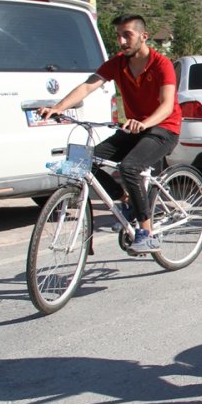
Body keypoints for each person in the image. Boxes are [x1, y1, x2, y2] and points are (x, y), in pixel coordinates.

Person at [37, 15, 181, 254]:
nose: (121, 41)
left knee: (130, 167)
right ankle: (125, 200)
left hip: (164, 128)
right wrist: (58, 107)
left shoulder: (161, 64)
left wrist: (144, 123)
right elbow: (88, 86)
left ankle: (147, 232)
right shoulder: (117, 63)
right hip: (135, 127)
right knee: (85, 161)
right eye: (118, 36)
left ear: (143, 37)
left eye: (127, 35)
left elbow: (167, 106)